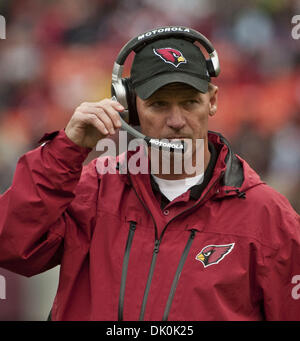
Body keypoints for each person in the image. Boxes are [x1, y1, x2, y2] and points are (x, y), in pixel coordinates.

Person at [0, 27, 299, 321]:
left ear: (213, 101)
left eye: (189, 102)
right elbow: (12, 245)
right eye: (158, 104)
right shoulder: (92, 190)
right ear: (131, 108)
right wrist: (66, 150)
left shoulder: (268, 217)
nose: (176, 121)